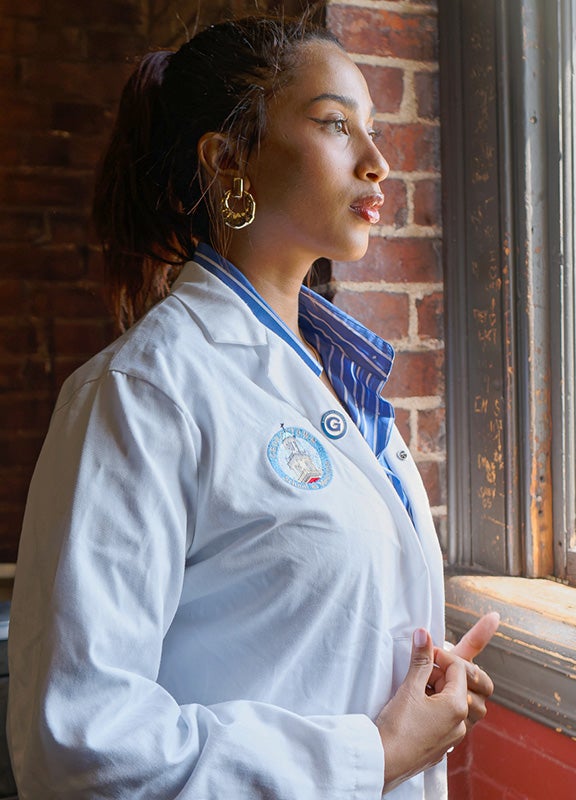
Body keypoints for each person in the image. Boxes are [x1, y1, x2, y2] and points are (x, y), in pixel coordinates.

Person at [6, 14, 499, 799]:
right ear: (229, 159)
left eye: (372, 129)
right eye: (337, 124)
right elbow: (81, 746)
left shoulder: (344, 381)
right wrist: (370, 753)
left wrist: (399, 687)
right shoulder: (141, 394)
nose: (377, 162)